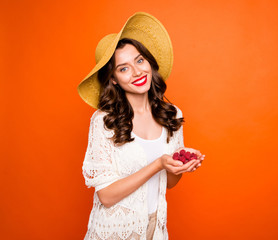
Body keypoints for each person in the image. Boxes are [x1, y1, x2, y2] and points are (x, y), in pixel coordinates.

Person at [77, 12, 205, 240]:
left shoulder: (172, 115)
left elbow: (169, 183)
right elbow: (106, 196)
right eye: (124, 68)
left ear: (149, 62)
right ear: (114, 78)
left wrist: (182, 163)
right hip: (113, 232)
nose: (137, 72)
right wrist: (158, 164)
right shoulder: (103, 121)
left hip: (156, 228)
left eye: (139, 60)